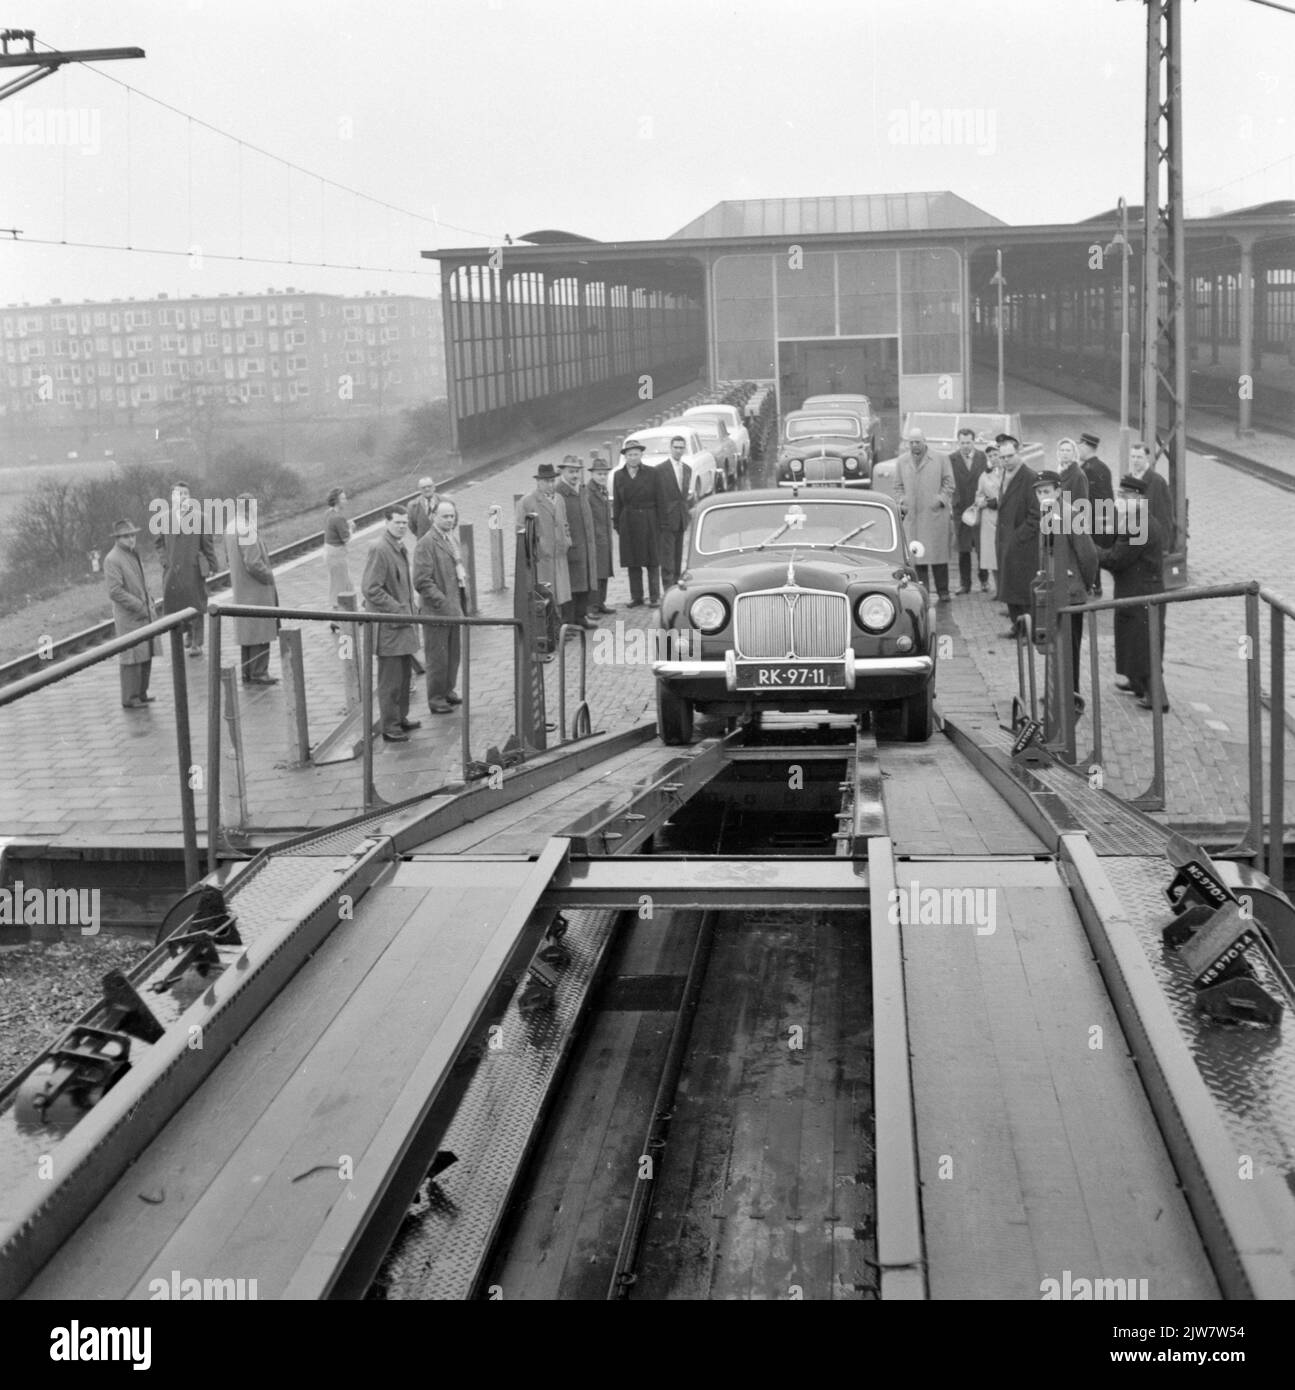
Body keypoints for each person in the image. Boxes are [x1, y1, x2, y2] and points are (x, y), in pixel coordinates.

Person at [1101, 475, 1168, 712]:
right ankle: (1137, 684)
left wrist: (1091, 553)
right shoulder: (1138, 519)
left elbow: (1117, 559)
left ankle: (1157, 698)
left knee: (1144, 644)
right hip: (1137, 590)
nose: (1120, 499)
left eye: (1124, 496)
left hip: (1141, 593)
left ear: (1138, 498)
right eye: (1120, 495)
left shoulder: (1138, 524)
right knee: (1133, 640)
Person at [1035, 470, 1098, 715]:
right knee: (1053, 642)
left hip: (1070, 593)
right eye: (1039, 493)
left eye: (1047, 491)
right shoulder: (1047, 513)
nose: (1043, 496)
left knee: (1069, 646)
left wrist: (1086, 585)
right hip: (1052, 590)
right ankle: (1055, 690)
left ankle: (1070, 696)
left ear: (1059, 491)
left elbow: (1088, 555)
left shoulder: (1071, 515)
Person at [362, 505, 421, 741]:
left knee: (405, 675)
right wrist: (398, 609)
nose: (402, 526)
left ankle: (400, 717)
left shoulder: (398, 546)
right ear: (386, 522)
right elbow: (370, 589)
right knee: (391, 679)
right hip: (390, 627)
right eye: (398, 522)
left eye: (405, 522)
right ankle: (390, 725)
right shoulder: (380, 548)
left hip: (403, 623)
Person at [412, 498, 466, 715]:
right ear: (434, 517)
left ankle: (448, 690)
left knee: (453, 654)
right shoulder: (426, 544)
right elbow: (422, 581)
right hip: (437, 612)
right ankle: (436, 698)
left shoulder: (450, 539)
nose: (449, 520)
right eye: (445, 516)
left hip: (454, 609)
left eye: (452, 516)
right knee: (437, 657)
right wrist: (443, 602)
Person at [155, 481, 217, 657]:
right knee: (177, 603)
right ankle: (187, 633)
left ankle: (197, 642)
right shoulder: (164, 518)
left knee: (196, 603)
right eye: (178, 494)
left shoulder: (200, 518)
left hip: (193, 569)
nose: (183, 498)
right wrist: (164, 560)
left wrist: (212, 564)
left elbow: (207, 544)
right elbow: (159, 543)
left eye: (186, 494)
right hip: (172, 571)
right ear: (172, 498)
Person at [894, 426, 955, 601]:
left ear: (924, 441)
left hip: (934, 516)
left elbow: (949, 483)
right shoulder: (902, 461)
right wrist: (902, 501)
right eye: (911, 442)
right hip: (913, 517)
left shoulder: (940, 459)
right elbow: (897, 486)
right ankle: (923, 591)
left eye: (918, 442)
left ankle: (943, 591)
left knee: (938, 555)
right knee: (917, 556)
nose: (915, 446)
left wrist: (941, 499)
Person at [225, 492, 280, 685]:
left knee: (249, 633)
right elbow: (253, 563)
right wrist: (269, 576)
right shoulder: (246, 529)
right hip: (255, 589)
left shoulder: (231, 527)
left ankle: (248, 671)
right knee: (260, 631)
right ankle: (259, 672)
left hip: (241, 588)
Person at [104, 519, 158, 710]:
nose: (131, 539)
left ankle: (141, 693)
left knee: (145, 654)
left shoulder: (132, 554)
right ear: (118, 538)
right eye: (126, 536)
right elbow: (115, 591)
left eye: (133, 535)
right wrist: (139, 606)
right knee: (131, 657)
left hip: (143, 613)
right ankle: (130, 697)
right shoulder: (112, 559)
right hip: (130, 617)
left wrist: (148, 603)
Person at [515, 463, 573, 637]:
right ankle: (551, 631)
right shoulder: (528, 502)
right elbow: (520, 528)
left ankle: (561, 628)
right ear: (538, 482)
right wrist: (536, 548)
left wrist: (567, 540)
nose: (550, 484)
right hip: (542, 556)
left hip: (559, 553)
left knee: (561, 592)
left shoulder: (560, 499)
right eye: (546, 481)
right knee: (547, 593)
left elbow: (564, 522)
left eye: (552, 481)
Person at [994, 433, 1040, 637]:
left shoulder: (1029, 478)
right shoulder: (1004, 475)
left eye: (1009, 456)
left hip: (1022, 544)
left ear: (1018, 453)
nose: (1005, 461)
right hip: (1006, 541)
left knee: (1021, 588)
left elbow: (1036, 515)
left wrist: (1017, 537)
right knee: (1010, 586)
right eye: (1002, 457)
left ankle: (1025, 628)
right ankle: (1017, 625)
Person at [613, 440, 660, 608]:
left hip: (648, 519)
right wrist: (617, 523)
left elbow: (659, 499)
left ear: (641, 455)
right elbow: (617, 502)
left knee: (652, 561)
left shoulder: (652, 473)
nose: (633, 458)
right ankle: (636, 596)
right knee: (633, 561)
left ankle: (654, 596)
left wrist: (659, 523)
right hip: (628, 521)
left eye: (636, 454)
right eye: (630, 455)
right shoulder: (619, 475)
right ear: (625, 456)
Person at [557, 456, 599, 630]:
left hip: (586, 546)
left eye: (577, 471)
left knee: (585, 583)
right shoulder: (560, 493)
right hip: (571, 546)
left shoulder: (582, 490)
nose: (575, 475)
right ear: (562, 472)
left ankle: (580, 617)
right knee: (572, 585)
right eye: (571, 472)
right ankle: (569, 621)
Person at [949, 427, 988, 594]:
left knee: (982, 547)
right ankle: (965, 584)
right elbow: (948, 482)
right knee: (963, 549)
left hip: (979, 508)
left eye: (969, 442)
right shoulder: (951, 459)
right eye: (962, 443)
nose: (965, 446)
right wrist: (954, 502)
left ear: (974, 442)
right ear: (958, 442)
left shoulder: (982, 457)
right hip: (961, 510)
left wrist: (983, 500)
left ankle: (984, 581)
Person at [654, 435, 693, 591]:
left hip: (681, 517)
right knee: (667, 555)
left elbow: (684, 495)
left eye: (681, 447)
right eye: (675, 447)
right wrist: (661, 517)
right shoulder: (660, 470)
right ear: (670, 448)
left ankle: (677, 582)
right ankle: (668, 585)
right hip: (666, 518)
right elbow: (657, 495)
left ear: (684, 449)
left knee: (678, 552)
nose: (678, 450)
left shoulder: (687, 469)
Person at [1079, 431, 1115, 597]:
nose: (1078, 448)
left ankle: (1095, 585)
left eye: (1080, 445)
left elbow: (1096, 497)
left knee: (1093, 552)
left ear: (1087, 446)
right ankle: (1096, 585)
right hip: (1102, 516)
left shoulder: (1089, 469)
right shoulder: (1101, 467)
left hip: (1095, 518)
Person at [1128, 440, 1175, 552]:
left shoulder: (1157, 481)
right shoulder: (1128, 479)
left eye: (1139, 457)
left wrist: (1163, 547)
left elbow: (1164, 517)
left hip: (1149, 543)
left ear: (1147, 458)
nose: (1135, 460)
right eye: (1133, 457)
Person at [586, 457, 616, 614]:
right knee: (595, 573)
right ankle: (592, 606)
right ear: (592, 474)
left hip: (605, 538)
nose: (602, 477)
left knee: (604, 572)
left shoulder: (604, 490)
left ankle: (601, 602)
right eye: (599, 474)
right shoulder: (588, 492)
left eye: (605, 474)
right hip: (595, 540)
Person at [973, 440, 1002, 595]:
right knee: (992, 557)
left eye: (996, 454)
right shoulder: (984, 476)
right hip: (990, 519)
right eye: (990, 455)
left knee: (1005, 556)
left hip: (1005, 517)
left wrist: (996, 501)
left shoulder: (1009, 472)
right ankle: (998, 590)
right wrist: (983, 502)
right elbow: (978, 496)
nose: (994, 458)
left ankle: (1006, 590)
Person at [324, 487, 355, 626]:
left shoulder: (329, 513)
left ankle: (346, 615)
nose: (346, 500)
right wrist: (351, 528)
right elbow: (346, 539)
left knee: (340, 583)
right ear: (337, 501)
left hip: (329, 552)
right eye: (343, 498)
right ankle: (337, 619)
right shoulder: (339, 517)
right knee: (341, 585)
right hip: (337, 554)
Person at [1054, 437, 1090, 506]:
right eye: (1062, 450)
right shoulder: (1060, 472)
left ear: (1074, 453)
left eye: (1068, 450)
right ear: (1058, 453)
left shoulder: (1078, 475)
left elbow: (1082, 503)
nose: (1065, 453)